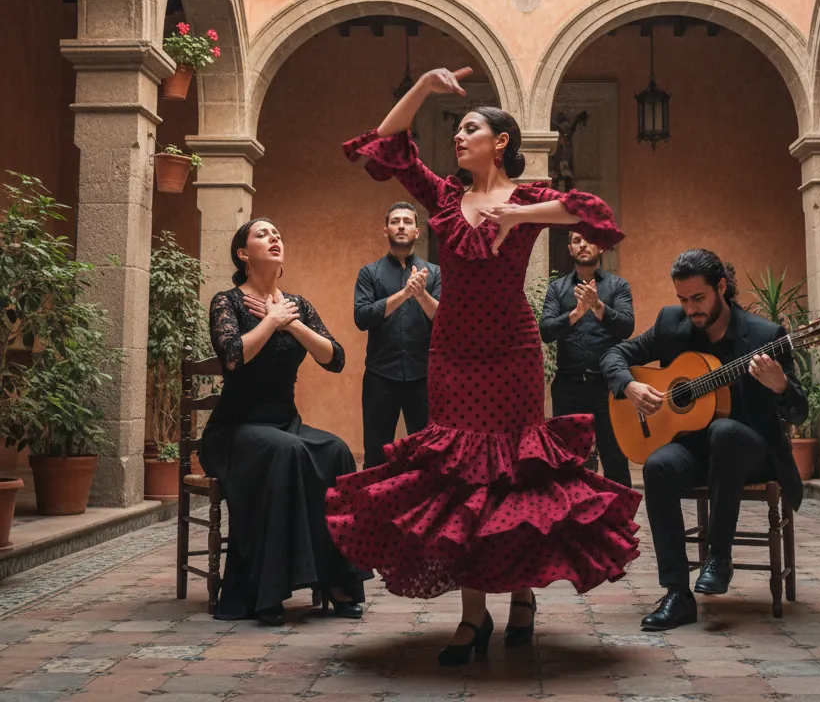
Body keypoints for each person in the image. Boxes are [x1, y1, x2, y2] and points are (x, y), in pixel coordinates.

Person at [325, 66, 641, 666]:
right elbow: (387, 144)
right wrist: (422, 86)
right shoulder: (445, 198)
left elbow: (597, 214)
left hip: (513, 353)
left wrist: (521, 217)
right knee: (462, 479)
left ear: (501, 142)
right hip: (452, 354)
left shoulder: (528, 197)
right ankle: (474, 615)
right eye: (458, 129)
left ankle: (522, 596)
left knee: (515, 474)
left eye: (470, 129)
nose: (459, 137)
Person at [600, 248, 807, 630]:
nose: (690, 309)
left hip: (752, 451)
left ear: (721, 287)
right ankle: (677, 594)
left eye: (698, 298)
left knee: (723, 431)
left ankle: (719, 557)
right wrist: (629, 385)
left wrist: (781, 386)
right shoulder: (671, 323)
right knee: (658, 465)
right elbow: (615, 354)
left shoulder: (765, 336)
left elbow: (799, 411)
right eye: (683, 299)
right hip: (696, 449)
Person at [202, 218, 371, 625]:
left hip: (284, 423)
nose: (274, 238)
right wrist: (270, 321)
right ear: (243, 254)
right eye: (262, 234)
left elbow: (335, 358)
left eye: (277, 233)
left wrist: (290, 322)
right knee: (287, 452)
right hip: (236, 429)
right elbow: (232, 357)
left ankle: (337, 580)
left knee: (337, 451)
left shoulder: (297, 306)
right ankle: (268, 589)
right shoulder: (227, 302)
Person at [540, 231, 635, 487]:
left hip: (609, 387)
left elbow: (627, 327)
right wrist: (575, 314)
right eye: (576, 240)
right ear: (570, 249)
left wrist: (598, 306)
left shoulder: (618, 286)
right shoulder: (557, 288)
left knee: (615, 461)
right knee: (568, 464)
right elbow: (546, 331)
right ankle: (572, 512)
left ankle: (619, 511)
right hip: (568, 387)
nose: (583, 244)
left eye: (589, 239)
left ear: (601, 247)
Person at [354, 202, 440, 469]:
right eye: (395, 221)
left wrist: (420, 294)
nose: (401, 226)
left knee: (426, 456)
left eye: (407, 221)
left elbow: (444, 321)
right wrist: (404, 294)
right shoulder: (369, 273)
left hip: (424, 377)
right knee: (375, 457)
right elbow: (362, 318)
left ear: (417, 231)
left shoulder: (435, 273)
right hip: (380, 377)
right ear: (386, 230)